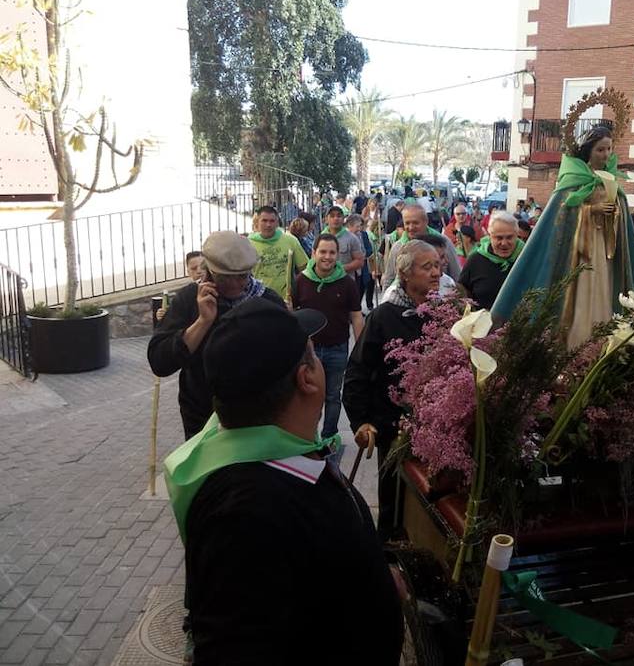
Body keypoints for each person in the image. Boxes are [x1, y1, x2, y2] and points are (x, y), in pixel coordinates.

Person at [164, 299, 402, 664]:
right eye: (314, 354)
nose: (321, 362)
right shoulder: (246, 513)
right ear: (306, 378)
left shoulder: (260, 452)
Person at [491, 124, 634, 349]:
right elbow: (562, 214)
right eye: (600, 150)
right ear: (588, 151)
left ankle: (603, 343)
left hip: (605, 255)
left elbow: (622, 223)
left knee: (603, 296)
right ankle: (576, 345)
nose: (605, 155)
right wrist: (590, 210)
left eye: (608, 149)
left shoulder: (613, 183)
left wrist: (614, 214)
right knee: (580, 297)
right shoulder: (572, 181)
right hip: (578, 256)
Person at [344, 240, 442, 539]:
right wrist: (361, 421)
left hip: (436, 426)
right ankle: (388, 558)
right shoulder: (384, 316)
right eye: (427, 267)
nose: (436, 272)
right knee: (394, 498)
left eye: (438, 265)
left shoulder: (444, 313)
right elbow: (358, 371)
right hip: (392, 426)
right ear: (405, 274)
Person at [148, 231, 284, 438]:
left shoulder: (266, 300)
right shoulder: (188, 299)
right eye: (231, 277)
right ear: (212, 273)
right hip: (203, 419)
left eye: (245, 275)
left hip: (257, 418)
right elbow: (160, 362)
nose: (241, 283)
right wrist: (203, 322)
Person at [293, 233, 363, 449]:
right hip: (307, 353)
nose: (327, 256)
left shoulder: (347, 283)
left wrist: (360, 349)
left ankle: (329, 437)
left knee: (333, 396)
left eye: (332, 252)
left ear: (337, 255)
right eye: (322, 252)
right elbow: (292, 314)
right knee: (307, 396)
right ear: (314, 253)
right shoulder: (300, 281)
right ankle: (309, 437)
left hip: (337, 349)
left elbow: (356, 316)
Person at [382, 204, 461, 287]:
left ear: (426, 222)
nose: (411, 227)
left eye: (415, 223)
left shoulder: (443, 242)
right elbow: (389, 279)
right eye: (407, 223)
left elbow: (456, 274)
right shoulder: (397, 247)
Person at [459, 211, 524, 310]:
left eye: (509, 237)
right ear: (489, 237)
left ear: (517, 235)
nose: (504, 243)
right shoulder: (475, 260)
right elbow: (461, 290)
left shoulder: (525, 258)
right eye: (499, 238)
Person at [247, 205, 308, 302]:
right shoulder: (248, 244)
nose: (268, 225)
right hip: (258, 299)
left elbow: (305, 269)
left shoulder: (291, 241)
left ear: (277, 223)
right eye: (264, 221)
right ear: (257, 222)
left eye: (272, 221)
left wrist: (297, 292)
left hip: (285, 300)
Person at [156, 251, 205, 323]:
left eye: (203, 267)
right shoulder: (184, 296)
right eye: (194, 268)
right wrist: (165, 317)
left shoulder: (221, 288)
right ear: (188, 272)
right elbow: (177, 323)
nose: (199, 271)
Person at [323, 206, 365, 278]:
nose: (336, 218)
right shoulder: (320, 238)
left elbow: (360, 261)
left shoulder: (352, 238)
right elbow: (314, 260)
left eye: (339, 216)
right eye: (332, 216)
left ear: (343, 219)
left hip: (346, 282)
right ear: (326, 219)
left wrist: (340, 269)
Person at [346, 215, 375, 313]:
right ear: (350, 226)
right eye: (357, 226)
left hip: (363, 267)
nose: (359, 229)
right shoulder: (345, 237)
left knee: (363, 287)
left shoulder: (364, 235)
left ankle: (358, 309)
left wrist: (363, 255)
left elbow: (369, 249)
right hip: (351, 269)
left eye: (360, 226)